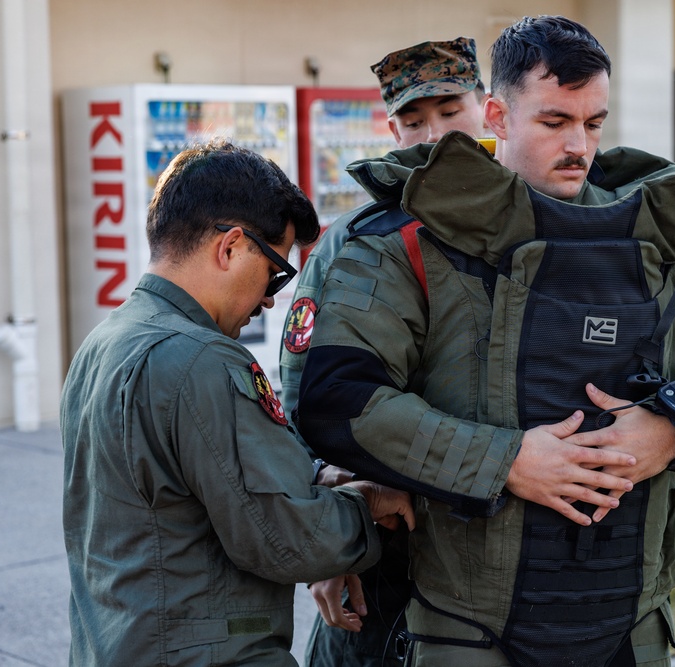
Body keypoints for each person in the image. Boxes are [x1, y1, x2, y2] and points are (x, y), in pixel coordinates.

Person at [297, 15, 675, 667]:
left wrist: (670, 427)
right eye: (555, 122)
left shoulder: (653, 237)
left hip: (624, 613)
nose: (579, 146)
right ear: (500, 116)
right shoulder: (398, 240)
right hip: (453, 614)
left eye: (593, 124)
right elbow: (330, 400)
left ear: (478, 111)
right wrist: (506, 460)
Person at [60, 140, 414, 667]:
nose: (271, 299)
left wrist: (316, 480)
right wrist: (370, 504)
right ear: (230, 247)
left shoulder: (106, 340)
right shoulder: (203, 359)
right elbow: (284, 537)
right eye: (275, 273)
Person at [280, 37, 486, 667]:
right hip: (387, 544)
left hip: (494, 552)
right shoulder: (354, 242)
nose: (434, 134)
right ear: (391, 129)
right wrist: (328, 543)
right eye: (414, 121)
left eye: (451, 111)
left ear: (488, 108)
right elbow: (304, 399)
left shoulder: (535, 222)